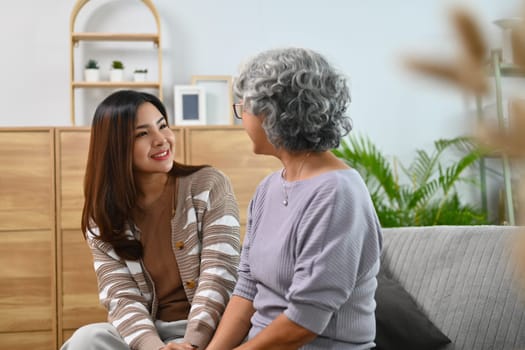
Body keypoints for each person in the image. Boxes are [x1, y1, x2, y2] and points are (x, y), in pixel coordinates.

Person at [206, 47, 382, 350]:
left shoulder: (337, 195)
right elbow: (247, 287)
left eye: (243, 107)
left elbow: (304, 321)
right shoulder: (268, 189)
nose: (241, 116)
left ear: (272, 114)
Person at [61, 90, 241, 350]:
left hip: (215, 329)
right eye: (142, 134)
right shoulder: (101, 218)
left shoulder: (208, 185)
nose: (161, 140)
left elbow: (220, 275)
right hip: (149, 334)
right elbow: (122, 298)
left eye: (162, 126)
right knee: (85, 341)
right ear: (116, 147)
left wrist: (191, 344)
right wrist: (155, 348)